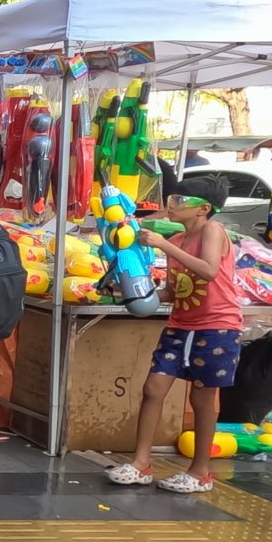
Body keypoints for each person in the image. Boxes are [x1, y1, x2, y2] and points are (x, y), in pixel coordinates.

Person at [104, 174, 242, 495]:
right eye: (171, 199)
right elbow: (174, 291)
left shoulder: (212, 230)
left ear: (203, 209)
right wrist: (136, 292)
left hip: (217, 325)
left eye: (180, 200)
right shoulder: (178, 241)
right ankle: (141, 463)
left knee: (203, 397)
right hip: (181, 325)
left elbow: (208, 270)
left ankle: (200, 471)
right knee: (153, 387)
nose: (171, 205)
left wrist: (163, 244)